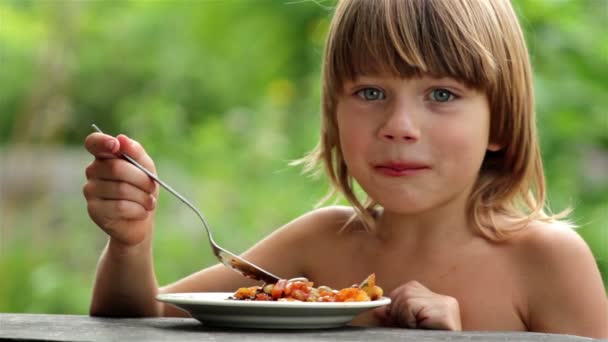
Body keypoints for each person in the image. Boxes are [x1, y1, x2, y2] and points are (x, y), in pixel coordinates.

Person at [82, 0, 608, 337]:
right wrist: (131, 243)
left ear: (500, 121)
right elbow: (137, 322)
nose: (399, 125)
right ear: (334, 113)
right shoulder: (318, 245)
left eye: (442, 94)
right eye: (370, 92)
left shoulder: (546, 263)